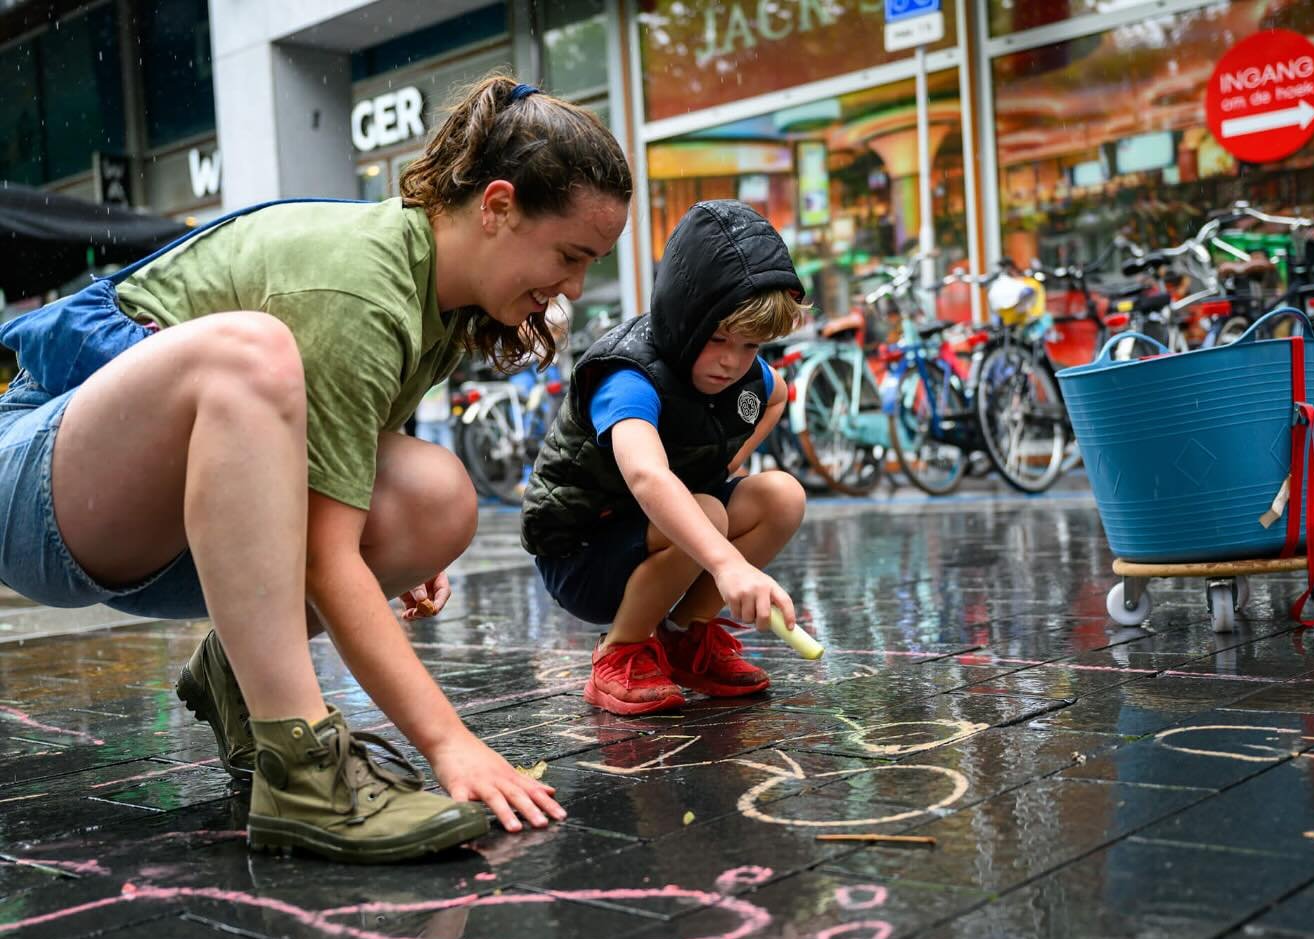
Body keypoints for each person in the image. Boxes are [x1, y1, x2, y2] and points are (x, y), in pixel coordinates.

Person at [0, 73, 631, 863]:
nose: (573, 287)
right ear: (498, 206)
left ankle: (238, 675)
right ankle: (302, 771)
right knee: (251, 355)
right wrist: (450, 742)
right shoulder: (360, 284)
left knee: (439, 497)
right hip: (40, 488)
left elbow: (337, 484)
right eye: (570, 256)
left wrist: (395, 545)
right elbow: (327, 561)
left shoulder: (437, 301)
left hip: (155, 523)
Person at [521, 200, 809, 716]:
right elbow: (647, 475)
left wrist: (728, 464)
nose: (732, 361)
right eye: (718, 339)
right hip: (583, 554)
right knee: (707, 512)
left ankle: (685, 637)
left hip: (656, 532)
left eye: (750, 346)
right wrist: (727, 565)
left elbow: (777, 395)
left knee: (781, 496)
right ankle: (620, 652)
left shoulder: (741, 372)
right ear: (684, 319)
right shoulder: (629, 375)